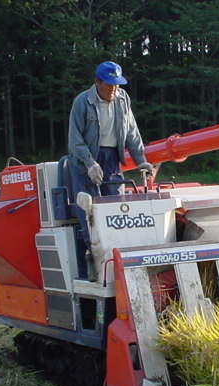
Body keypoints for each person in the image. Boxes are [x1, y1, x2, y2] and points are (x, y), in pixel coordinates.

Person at [67, 60, 153, 252]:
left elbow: (132, 132)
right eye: (109, 84)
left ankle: (117, 253)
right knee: (90, 210)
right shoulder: (82, 102)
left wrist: (142, 161)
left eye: (117, 84)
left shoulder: (123, 99)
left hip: (112, 158)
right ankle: (94, 258)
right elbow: (75, 140)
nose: (114, 89)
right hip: (84, 161)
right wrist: (90, 163)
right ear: (97, 82)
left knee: (116, 206)